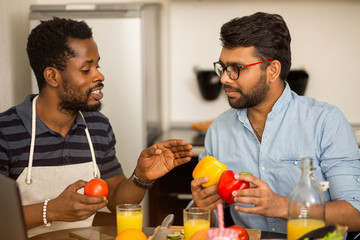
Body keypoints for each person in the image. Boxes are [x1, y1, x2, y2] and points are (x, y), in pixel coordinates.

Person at [0, 17, 193, 237]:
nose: (99, 76)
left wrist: (142, 176)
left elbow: (116, 202)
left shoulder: (97, 127)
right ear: (52, 76)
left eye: (97, 65)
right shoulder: (6, 131)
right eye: (86, 69)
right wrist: (51, 210)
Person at [190, 12, 360, 234]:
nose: (224, 78)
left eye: (237, 69)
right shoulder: (219, 130)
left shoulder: (326, 122)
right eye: (223, 67)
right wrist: (201, 206)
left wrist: (283, 207)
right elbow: (211, 219)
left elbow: (355, 214)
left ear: (272, 71)